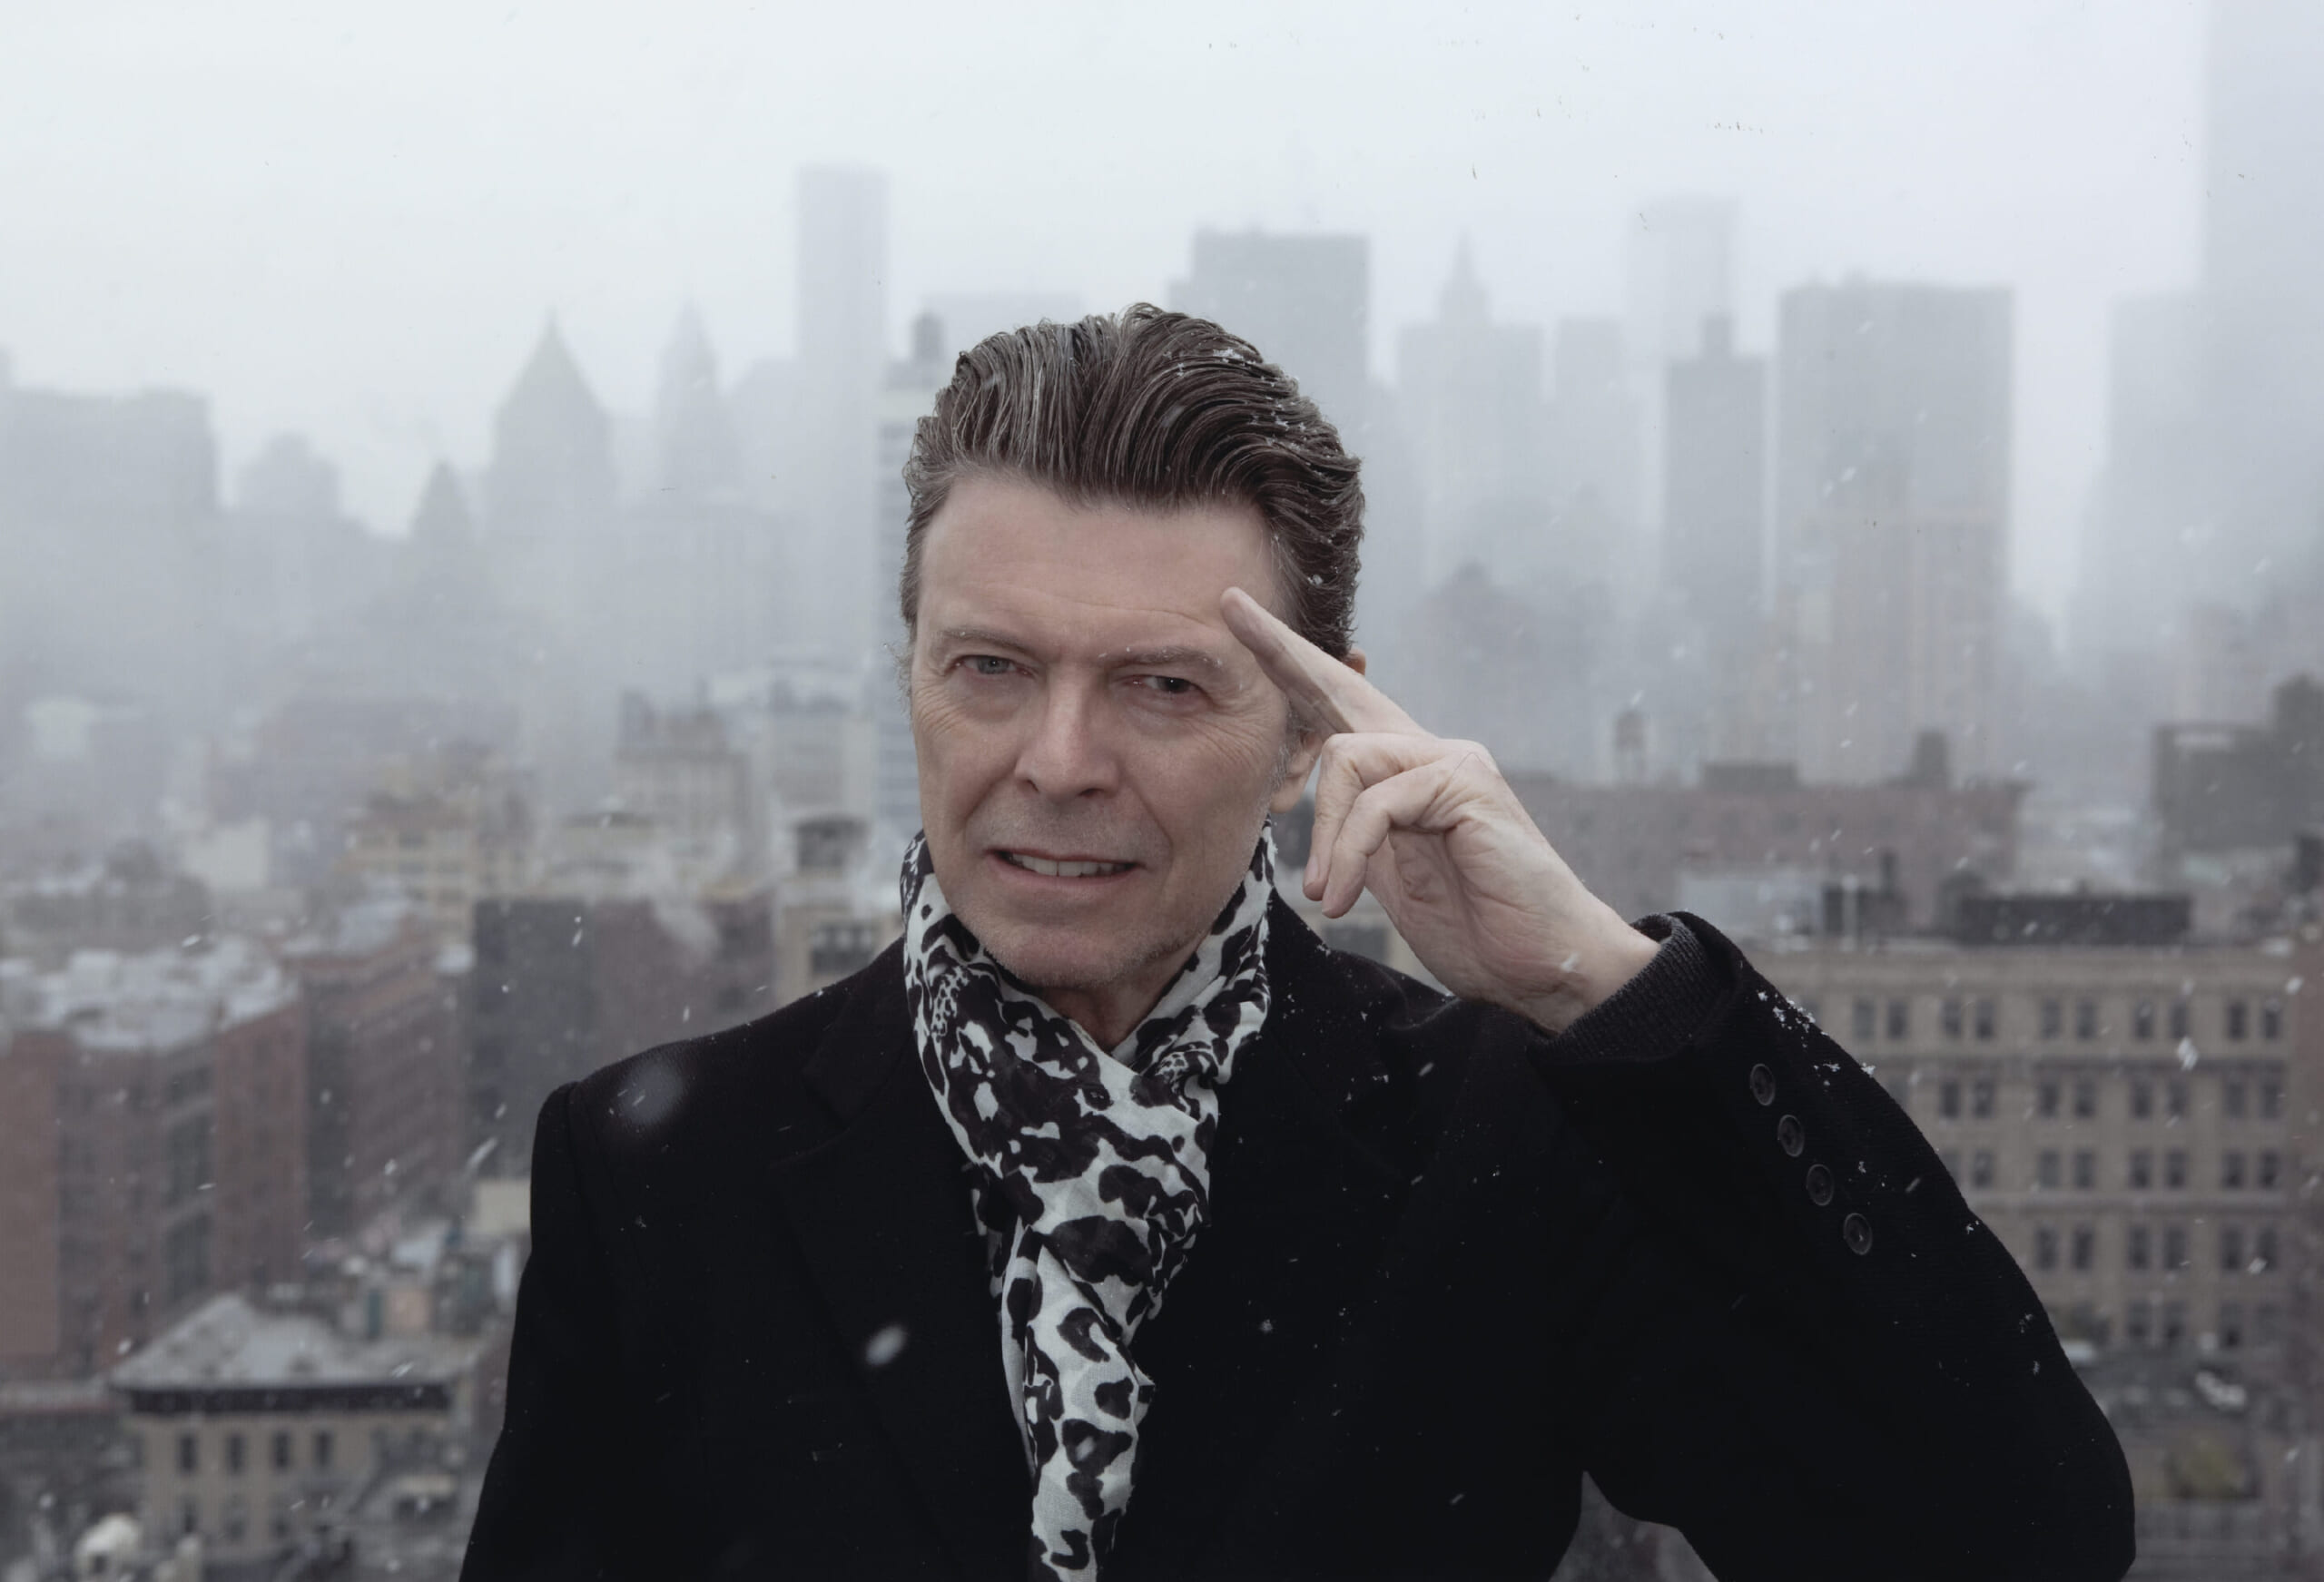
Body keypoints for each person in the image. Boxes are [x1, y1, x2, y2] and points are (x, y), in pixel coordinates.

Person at [460, 305, 2133, 1582]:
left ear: (1305, 736)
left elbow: (2013, 1533)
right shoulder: (656, 1169)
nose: (1058, 760)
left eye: (1161, 685)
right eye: (990, 669)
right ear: (910, 677)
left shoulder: (1498, 1136)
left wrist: (1603, 986)